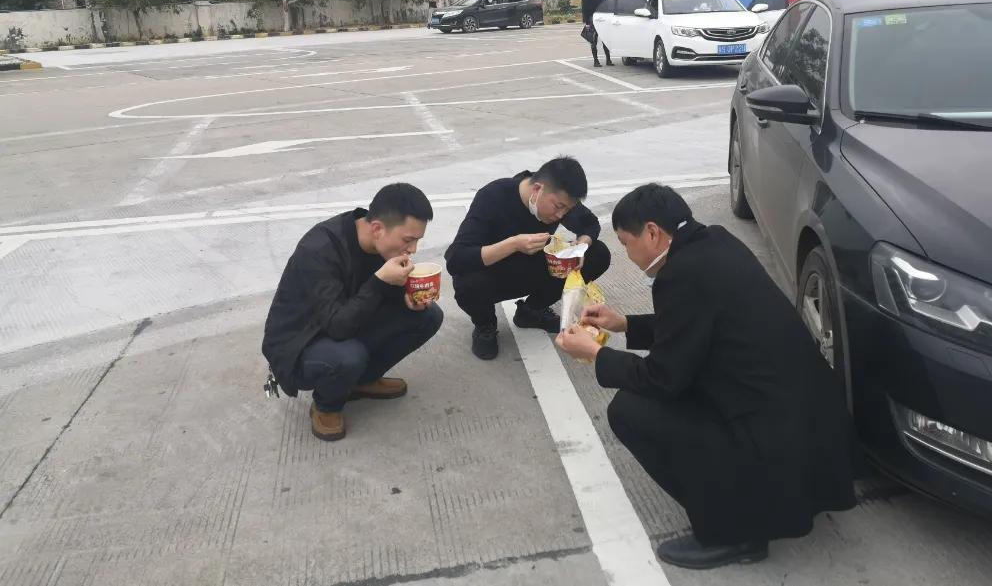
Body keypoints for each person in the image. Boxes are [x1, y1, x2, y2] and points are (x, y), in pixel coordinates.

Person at [556, 184, 856, 569]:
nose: (628, 256)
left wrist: (596, 354)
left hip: (770, 435)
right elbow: (695, 327)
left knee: (630, 411)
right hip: (804, 424)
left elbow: (663, 379)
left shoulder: (680, 275)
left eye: (627, 244)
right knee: (653, 399)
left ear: (652, 232)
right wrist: (625, 323)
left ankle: (735, 533)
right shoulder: (715, 243)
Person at [262, 183, 443, 442]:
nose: (412, 249)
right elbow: (338, 325)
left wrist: (407, 298)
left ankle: (362, 381)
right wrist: (381, 279)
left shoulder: (382, 246)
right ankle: (326, 406)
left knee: (427, 317)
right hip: (300, 341)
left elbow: (371, 296)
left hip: (346, 321)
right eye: (408, 240)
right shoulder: (320, 249)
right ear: (377, 228)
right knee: (348, 356)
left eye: (417, 240)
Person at [446, 157, 612, 360]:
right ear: (537, 189)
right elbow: (456, 258)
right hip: (494, 274)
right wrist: (513, 244)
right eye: (558, 207)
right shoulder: (493, 196)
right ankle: (485, 324)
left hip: (535, 267)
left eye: (567, 209)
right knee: (468, 281)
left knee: (598, 253)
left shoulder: (560, 199)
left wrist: (581, 246)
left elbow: (590, 224)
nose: (561, 215)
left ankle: (532, 311)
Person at [581, 0, 611, 67]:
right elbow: (585, 9)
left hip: (602, 19)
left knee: (605, 39)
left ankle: (608, 59)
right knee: (593, 40)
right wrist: (586, 22)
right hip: (592, 19)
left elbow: (605, 4)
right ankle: (596, 60)